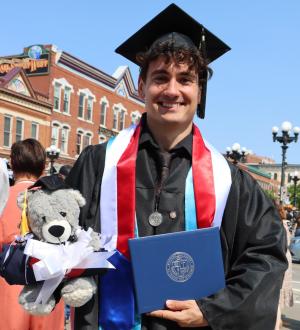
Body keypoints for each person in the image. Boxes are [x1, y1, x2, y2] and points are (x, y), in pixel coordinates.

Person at [66, 4, 287, 330]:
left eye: (185, 79)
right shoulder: (98, 164)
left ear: (199, 91)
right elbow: (60, 241)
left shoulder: (230, 181)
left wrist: (213, 311)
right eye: (160, 78)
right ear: (142, 87)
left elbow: (265, 258)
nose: (172, 90)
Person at [0, 138, 65, 330]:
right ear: (44, 166)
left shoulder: (4, 199)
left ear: (12, 162)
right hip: (48, 289)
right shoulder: (59, 201)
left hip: (9, 287)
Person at [275, 205, 294, 329]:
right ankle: (278, 319)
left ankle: (277, 322)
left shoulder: (277, 224)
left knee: (276, 292)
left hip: (280, 258)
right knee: (278, 292)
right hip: (286, 257)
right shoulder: (285, 224)